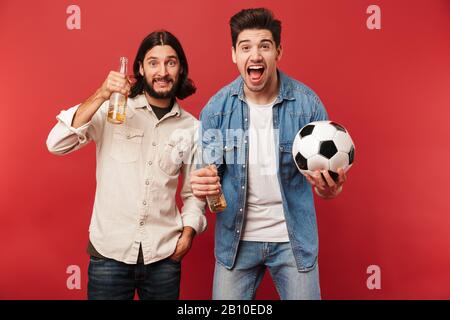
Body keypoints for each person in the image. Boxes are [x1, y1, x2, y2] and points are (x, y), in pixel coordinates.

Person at [190, 8, 348, 300]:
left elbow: (327, 186)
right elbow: (210, 184)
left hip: (293, 241)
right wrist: (203, 188)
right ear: (234, 55)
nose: (256, 55)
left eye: (264, 46)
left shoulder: (308, 106)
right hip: (236, 243)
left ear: (278, 51)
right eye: (245, 47)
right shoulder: (216, 109)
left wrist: (329, 190)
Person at [46, 30, 206, 300]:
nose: (162, 71)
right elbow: (56, 143)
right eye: (153, 62)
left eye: (171, 62)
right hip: (109, 254)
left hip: (164, 256)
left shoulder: (192, 127)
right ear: (140, 68)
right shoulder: (113, 109)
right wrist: (101, 94)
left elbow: (194, 192)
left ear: (180, 69)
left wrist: (188, 233)